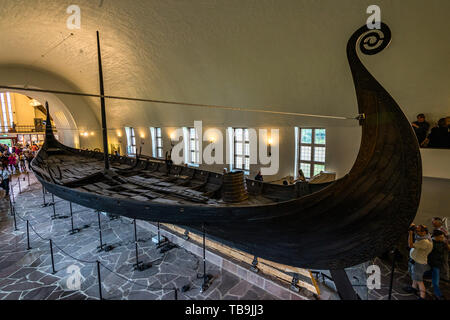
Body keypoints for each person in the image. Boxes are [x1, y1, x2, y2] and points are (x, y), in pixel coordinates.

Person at [405, 224, 433, 299]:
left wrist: (410, 234)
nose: (416, 233)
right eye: (415, 231)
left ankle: (422, 297)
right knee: (415, 277)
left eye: (418, 231)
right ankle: (413, 288)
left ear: (424, 232)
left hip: (419, 263)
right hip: (415, 261)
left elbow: (410, 245)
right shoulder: (423, 237)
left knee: (419, 281)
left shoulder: (425, 241)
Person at [428, 230, 448, 300]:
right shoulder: (430, 242)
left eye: (443, 237)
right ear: (436, 237)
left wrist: (446, 243)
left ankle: (437, 294)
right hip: (431, 263)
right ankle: (438, 295)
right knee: (435, 280)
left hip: (437, 264)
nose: (442, 239)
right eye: (441, 237)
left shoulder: (442, 242)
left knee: (435, 279)